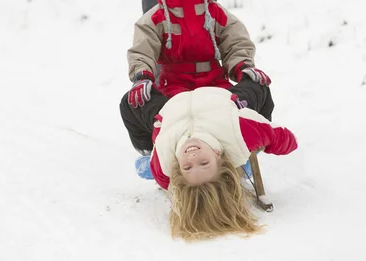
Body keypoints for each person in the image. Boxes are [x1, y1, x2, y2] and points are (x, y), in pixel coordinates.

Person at [121, 86, 297, 241]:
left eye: (187, 167)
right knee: (260, 87)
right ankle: (243, 164)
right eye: (204, 162)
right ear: (218, 155)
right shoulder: (239, 136)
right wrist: (266, 145)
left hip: (171, 108)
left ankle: (146, 152)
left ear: (177, 169)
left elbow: (170, 183)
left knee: (129, 102)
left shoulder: (165, 165)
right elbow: (281, 137)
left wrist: (157, 133)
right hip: (219, 98)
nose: (192, 157)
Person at [124, 0, 272, 103]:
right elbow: (142, 50)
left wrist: (243, 67)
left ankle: (257, 126)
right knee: (131, 104)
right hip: (173, 89)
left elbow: (236, 43)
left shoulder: (216, 13)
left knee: (260, 90)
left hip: (216, 85)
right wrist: (142, 76)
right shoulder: (156, 17)